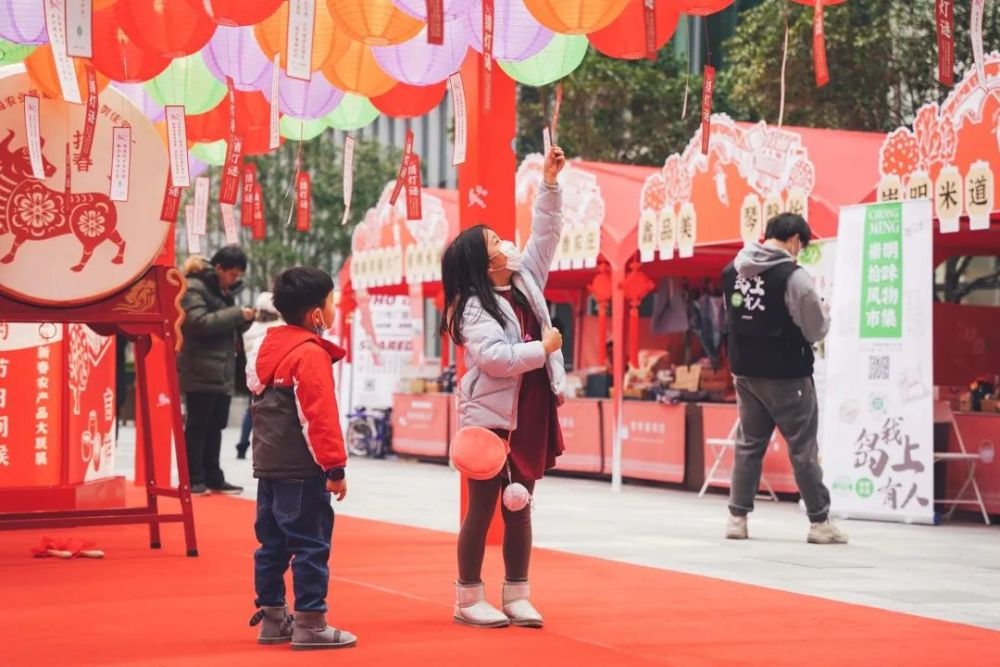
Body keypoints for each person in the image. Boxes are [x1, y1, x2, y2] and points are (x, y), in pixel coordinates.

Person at [441, 146, 567, 629]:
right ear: (483, 259)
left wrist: (550, 183)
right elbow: (493, 360)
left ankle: (517, 594)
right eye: (497, 240)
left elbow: (546, 233)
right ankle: (467, 596)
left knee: (521, 504)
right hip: (490, 419)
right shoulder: (474, 305)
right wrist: (545, 347)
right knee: (481, 510)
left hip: (532, 408)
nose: (508, 244)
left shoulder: (525, 280)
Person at [246, 267, 356, 650]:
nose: (334, 307)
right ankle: (311, 621)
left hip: (269, 468)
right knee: (311, 544)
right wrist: (335, 466)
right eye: (331, 301)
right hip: (302, 470)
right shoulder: (309, 354)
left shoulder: (265, 348)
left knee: (272, 544)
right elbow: (319, 416)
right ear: (316, 315)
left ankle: (274, 619)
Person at [722, 213, 848, 544]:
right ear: (794, 240)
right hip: (788, 375)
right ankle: (820, 523)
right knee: (803, 447)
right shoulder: (794, 277)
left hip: (745, 372)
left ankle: (737, 518)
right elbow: (814, 328)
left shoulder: (731, 271)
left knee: (749, 444)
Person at [178, 246, 254, 496]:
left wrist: (245, 319)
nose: (235, 280)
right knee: (198, 426)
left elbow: (225, 326)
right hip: (200, 368)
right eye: (232, 274)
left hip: (222, 370)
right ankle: (193, 477)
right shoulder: (194, 287)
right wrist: (235, 313)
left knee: (215, 426)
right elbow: (197, 323)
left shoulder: (221, 291)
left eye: (238, 276)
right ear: (218, 268)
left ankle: (213, 475)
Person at [236, 292, 283, 460]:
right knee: (272, 416)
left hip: (254, 379)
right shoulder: (279, 328)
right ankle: (269, 449)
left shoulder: (250, 331)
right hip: (274, 379)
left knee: (251, 412)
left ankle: (242, 445)